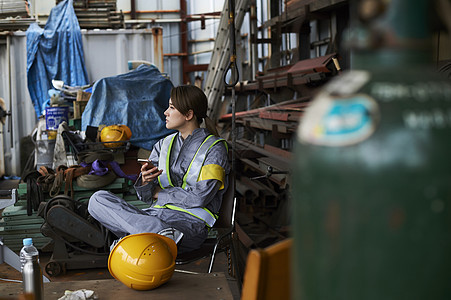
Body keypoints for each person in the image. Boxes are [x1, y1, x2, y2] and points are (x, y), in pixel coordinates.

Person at [88, 85, 230, 253]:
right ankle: (151, 236)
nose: (165, 112)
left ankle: (144, 237)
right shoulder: (163, 145)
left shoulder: (215, 148)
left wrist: (159, 193)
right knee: (97, 200)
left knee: (151, 225)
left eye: (171, 107)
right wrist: (146, 182)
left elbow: (200, 197)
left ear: (189, 115)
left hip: (188, 225)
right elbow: (146, 197)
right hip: (154, 217)